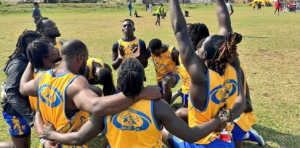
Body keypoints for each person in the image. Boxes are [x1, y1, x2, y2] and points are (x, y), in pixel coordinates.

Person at [39, 58, 232, 148]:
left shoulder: (105, 108)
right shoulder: (157, 106)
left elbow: (78, 139)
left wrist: (50, 134)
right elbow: (191, 135)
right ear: (142, 80)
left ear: (119, 81)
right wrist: (220, 118)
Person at [20, 39, 161, 147]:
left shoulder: (42, 79)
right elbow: (97, 106)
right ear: (80, 57)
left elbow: (27, 93)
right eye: (86, 59)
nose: (87, 62)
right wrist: (139, 93)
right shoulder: (75, 82)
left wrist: (45, 139)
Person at [163, 0, 246, 147]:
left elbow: (180, 31)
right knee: (182, 114)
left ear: (205, 57)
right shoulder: (232, 66)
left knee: (164, 133)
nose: (197, 49)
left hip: (200, 143)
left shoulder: (201, 77)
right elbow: (241, 102)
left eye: (200, 49)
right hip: (225, 142)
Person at [1, 30, 41, 148]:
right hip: (16, 113)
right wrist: (32, 119)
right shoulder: (18, 65)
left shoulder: (31, 60)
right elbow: (12, 95)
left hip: (25, 109)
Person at [22, 38, 61, 113]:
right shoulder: (49, 77)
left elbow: (23, 86)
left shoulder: (34, 76)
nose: (56, 49)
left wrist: (32, 60)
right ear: (45, 56)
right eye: (53, 48)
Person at [148, 38, 180, 104]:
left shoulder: (173, 52)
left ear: (161, 48)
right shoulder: (151, 49)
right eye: (153, 53)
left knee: (166, 82)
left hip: (173, 75)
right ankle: (178, 92)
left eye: (156, 53)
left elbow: (179, 64)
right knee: (159, 102)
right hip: (160, 78)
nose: (154, 55)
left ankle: (167, 109)